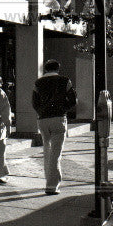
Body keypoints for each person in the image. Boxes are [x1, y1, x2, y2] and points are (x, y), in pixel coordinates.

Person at [32, 59, 77, 195]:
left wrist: (41, 112)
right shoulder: (65, 81)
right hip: (58, 118)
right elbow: (73, 100)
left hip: (43, 119)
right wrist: (64, 109)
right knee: (56, 153)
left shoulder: (38, 83)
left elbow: (34, 102)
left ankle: (49, 179)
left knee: (48, 150)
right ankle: (52, 185)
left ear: (45, 69)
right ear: (58, 69)